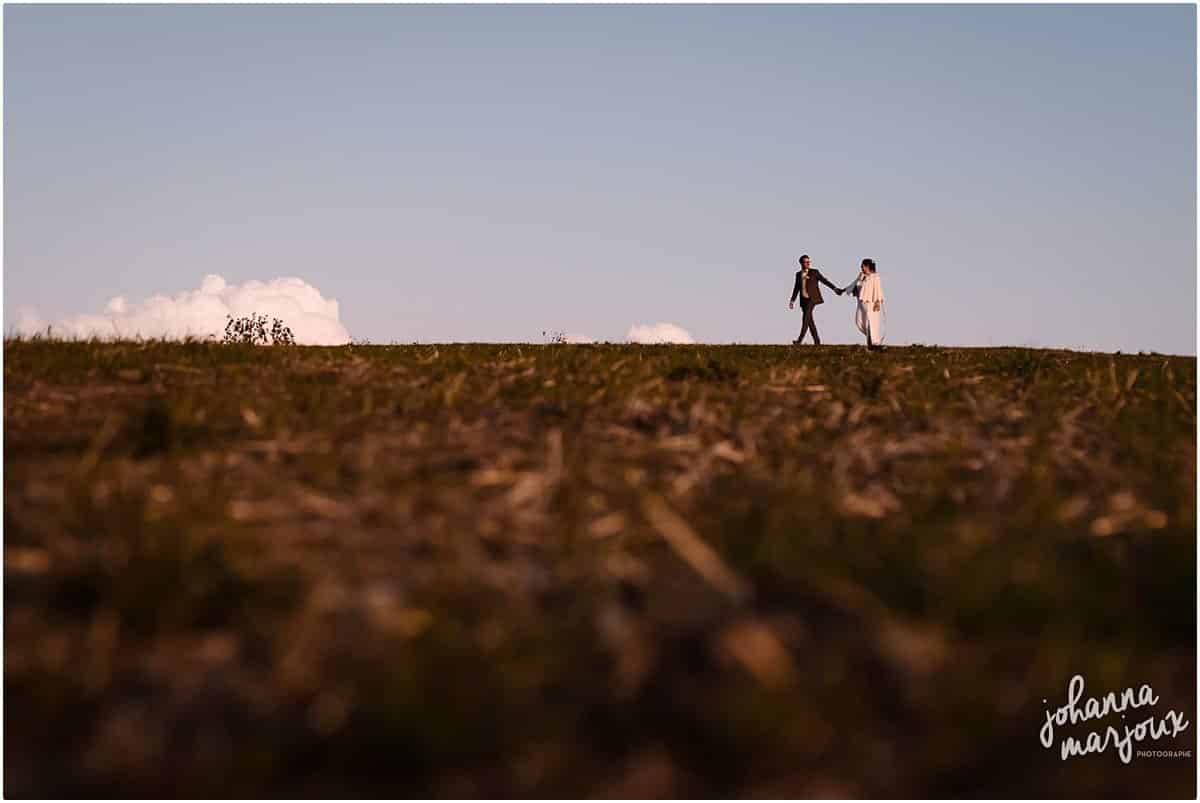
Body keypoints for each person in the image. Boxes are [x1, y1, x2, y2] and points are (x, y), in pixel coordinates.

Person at [788, 255, 842, 345]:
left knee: (805, 319)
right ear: (801, 263)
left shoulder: (814, 272)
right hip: (803, 300)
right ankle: (817, 341)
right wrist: (792, 300)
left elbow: (825, 281)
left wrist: (834, 288)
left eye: (809, 262)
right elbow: (796, 288)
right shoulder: (798, 274)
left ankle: (799, 340)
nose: (808, 263)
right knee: (810, 321)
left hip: (812, 299)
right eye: (806, 262)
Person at [853, 258, 885, 349]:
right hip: (861, 303)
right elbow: (855, 285)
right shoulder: (862, 276)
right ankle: (870, 339)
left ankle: (873, 343)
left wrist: (877, 302)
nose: (861, 268)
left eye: (863, 266)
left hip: (871, 303)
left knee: (871, 323)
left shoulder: (875, 277)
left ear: (867, 266)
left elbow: (878, 289)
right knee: (859, 321)